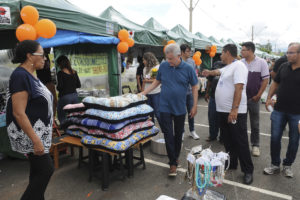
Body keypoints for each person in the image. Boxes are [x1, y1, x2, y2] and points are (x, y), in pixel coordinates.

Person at [6, 40, 54, 199]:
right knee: (46, 170)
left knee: (37, 174)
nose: (45, 58)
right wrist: (35, 140)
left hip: (38, 133)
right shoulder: (20, 75)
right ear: (29, 56)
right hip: (31, 135)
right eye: (42, 54)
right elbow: (18, 112)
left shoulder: (29, 75)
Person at [141, 43, 198, 177]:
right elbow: (157, 81)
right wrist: (144, 92)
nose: (168, 61)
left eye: (171, 59)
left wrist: (194, 106)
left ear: (179, 56)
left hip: (179, 107)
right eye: (167, 58)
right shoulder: (164, 66)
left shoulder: (188, 69)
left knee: (178, 135)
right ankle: (173, 163)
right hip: (164, 106)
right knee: (167, 134)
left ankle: (175, 156)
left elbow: (195, 87)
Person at [202, 44, 254, 185]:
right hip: (222, 111)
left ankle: (248, 170)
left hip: (234, 112)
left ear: (228, 53)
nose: (220, 55)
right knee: (227, 139)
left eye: (222, 53)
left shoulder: (239, 67)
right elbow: (218, 71)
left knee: (240, 141)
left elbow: (239, 88)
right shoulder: (229, 67)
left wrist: (234, 109)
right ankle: (232, 163)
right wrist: (209, 72)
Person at [263, 42, 300, 178]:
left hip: (297, 113)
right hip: (279, 110)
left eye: (291, 53)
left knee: (294, 140)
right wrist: (268, 98)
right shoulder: (284, 66)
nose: (287, 55)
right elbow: (275, 83)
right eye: (288, 52)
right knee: (275, 138)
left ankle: (288, 165)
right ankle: (275, 164)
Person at [241, 42, 270, 157]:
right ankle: (242, 145)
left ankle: (255, 145)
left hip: (254, 99)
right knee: (241, 123)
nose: (241, 52)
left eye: (243, 50)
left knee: (255, 123)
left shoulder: (261, 62)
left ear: (250, 51)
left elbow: (265, 80)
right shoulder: (240, 63)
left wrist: (259, 95)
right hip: (241, 99)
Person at [180, 44, 199, 140]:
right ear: (182, 52)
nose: (190, 53)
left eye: (190, 51)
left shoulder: (192, 61)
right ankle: (182, 132)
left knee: (191, 112)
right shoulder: (177, 61)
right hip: (180, 93)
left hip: (190, 91)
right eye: (188, 51)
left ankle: (192, 131)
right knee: (181, 113)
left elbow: (195, 73)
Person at [56, 55, 81, 124]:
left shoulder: (60, 73)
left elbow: (60, 86)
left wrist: (56, 87)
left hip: (65, 97)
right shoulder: (74, 72)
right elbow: (79, 85)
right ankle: (75, 129)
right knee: (75, 115)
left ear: (60, 64)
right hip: (75, 96)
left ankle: (65, 130)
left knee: (61, 115)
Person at [204, 61, 226, 142]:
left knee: (223, 118)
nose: (221, 55)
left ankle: (223, 138)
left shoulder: (231, 66)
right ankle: (212, 135)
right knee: (212, 117)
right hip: (213, 96)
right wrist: (207, 93)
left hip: (225, 98)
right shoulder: (216, 64)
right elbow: (209, 80)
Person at [36, 48, 57, 120]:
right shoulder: (39, 60)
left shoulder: (45, 58)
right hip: (45, 83)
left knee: (53, 101)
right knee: (49, 102)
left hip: (47, 82)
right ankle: (50, 118)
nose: (44, 59)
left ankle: (52, 117)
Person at [142, 52, 161, 126]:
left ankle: (164, 129)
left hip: (156, 93)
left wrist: (146, 80)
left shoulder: (157, 67)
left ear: (149, 60)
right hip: (148, 94)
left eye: (144, 60)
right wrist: (143, 92)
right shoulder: (144, 69)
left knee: (157, 112)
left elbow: (157, 80)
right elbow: (144, 80)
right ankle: (151, 129)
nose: (143, 62)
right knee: (150, 113)